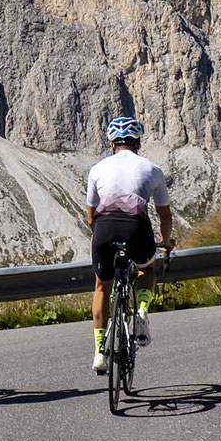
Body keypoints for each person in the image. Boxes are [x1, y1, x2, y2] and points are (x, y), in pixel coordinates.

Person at [87, 115, 174, 372]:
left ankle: (99, 352)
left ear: (112, 144)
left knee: (102, 286)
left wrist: (102, 236)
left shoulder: (97, 168)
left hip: (104, 229)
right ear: (138, 143)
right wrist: (166, 242)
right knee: (146, 268)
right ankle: (142, 310)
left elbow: (90, 215)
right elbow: (164, 214)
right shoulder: (152, 169)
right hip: (137, 227)